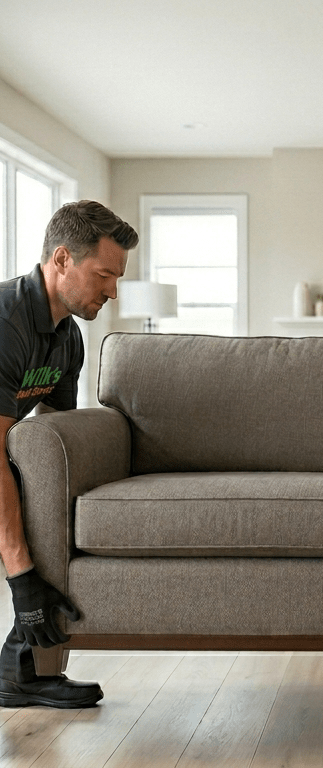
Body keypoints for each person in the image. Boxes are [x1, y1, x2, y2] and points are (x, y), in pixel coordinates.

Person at [0, 200, 138, 707]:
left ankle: (21, 669)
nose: (113, 290)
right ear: (62, 260)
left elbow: (51, 445)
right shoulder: (5, 322)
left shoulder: (66, 339)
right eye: (104, 274)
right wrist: (20, 576)